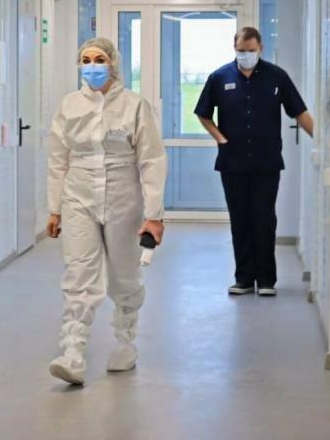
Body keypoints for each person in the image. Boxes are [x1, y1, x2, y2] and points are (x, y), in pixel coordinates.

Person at [46, 37, 167, 385]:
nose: (92, 66)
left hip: (123, 196)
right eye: (85, 60)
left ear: (113, 63)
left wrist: (154, 215)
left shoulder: (134, 105)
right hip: (78, 195)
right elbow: (57, 159)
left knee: (124, 275)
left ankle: (125, 343)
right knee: (78, 273)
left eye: (99, 59)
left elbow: (152, 159)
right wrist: (54, 209)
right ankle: (72, 352)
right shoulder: (70, 105)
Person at [194, 27, 314, 297]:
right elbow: (203, 113)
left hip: (266, 163)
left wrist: (325, 143)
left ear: (260, 48)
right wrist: (219, 138)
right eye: (241, 50)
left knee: (264, 219)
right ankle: (244, 279)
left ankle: (267, 280)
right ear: (234, 48)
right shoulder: (219, 77)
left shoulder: (276, 77)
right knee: (240, 220)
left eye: (250, 50)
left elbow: (299, 112)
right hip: (232, 163)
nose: (245, 55)